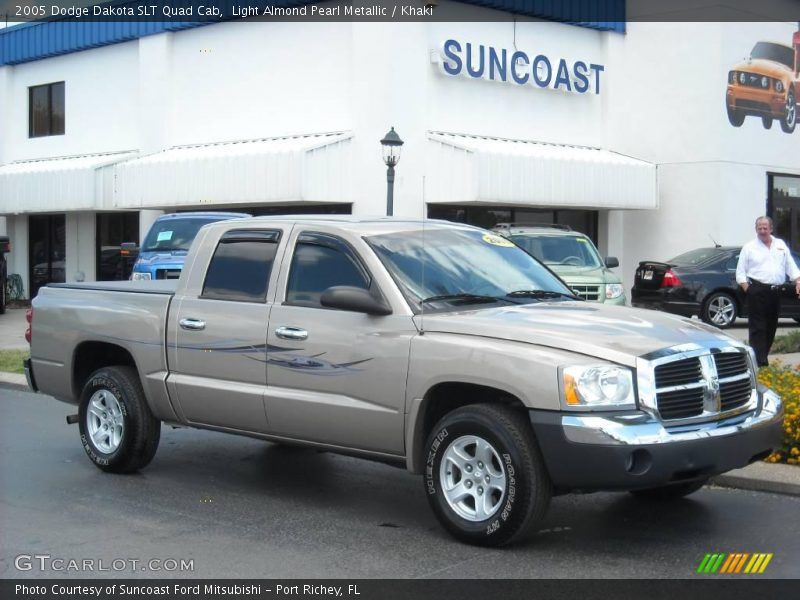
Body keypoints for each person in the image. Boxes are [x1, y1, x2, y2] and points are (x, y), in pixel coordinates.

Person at [735, 216, 800, 367]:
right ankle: (760, 362)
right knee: (758, 327)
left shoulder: (781, 245)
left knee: (771, 326)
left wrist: (798, 280)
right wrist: (749, 290)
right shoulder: (749, 247)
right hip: (757, 290)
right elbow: (740, 273)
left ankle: (762, 356)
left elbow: (791, 266)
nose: (762, 231)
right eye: (759, 228)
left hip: (776, 292)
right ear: (756, 230)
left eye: (765, 228)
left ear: (771, 228)